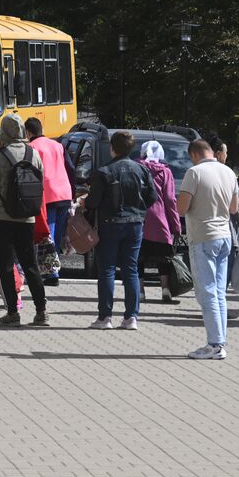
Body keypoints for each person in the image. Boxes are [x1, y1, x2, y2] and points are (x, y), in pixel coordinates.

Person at [0, 114, 50, 327]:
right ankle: (41, 311)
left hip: (1, 218)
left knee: (6, 266)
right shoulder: (33, 154)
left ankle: (12, 312)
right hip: (27, 217)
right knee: (30, 264)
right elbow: (40, 183)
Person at [85, 130, 156, 330]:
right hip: (135, 224)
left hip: (109, 223)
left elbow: (92, 202)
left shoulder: (104, 171)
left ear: (112, 148)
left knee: (107, 269)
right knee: (130, 269)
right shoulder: (141, 170)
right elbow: (152, 197)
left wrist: (86, 203)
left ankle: (105, 317)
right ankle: (131, 317)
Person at [177, 138, 239, 360]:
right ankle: (220, 342)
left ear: (194, 154)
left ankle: (214, 344)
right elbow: (234, 208)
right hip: (224, 236)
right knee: (219, 292)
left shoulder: (194, 173)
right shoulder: (228, 172)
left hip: (203, 237)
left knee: (207, 291)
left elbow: (182, 207)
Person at [25, 117, 75, 287]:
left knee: (48, 233)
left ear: (28, 132)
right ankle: (53, 268)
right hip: (64, 192)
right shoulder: (58, 145)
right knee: (57, 234)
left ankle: (51, 273)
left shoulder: (32, 147)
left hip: (48, 195)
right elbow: (71, 168)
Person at [136, 140, 181, 304]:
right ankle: (165, 290)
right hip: (160, 221)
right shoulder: (165, 171)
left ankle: (140, 292)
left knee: (139, 257)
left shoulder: (136, 167)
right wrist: (176, 225)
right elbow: (170, 200)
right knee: (164, 258)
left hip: (139, 219)